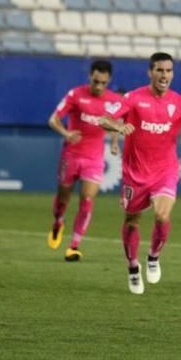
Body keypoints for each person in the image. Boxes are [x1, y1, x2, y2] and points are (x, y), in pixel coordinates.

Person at [98, 53, 181, 294]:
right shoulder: (133, 98)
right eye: (160, 70)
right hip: (135, 172)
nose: (164, 75)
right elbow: (104, 119)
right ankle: (133, 268)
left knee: (162, 215)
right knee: (132, 220)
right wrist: (117, 126)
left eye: (168, 71)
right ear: (150, 72)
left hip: (165, 171)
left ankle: (153, 257)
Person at [46, 60, 125, 262]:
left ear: (109, 81)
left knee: (87, 199)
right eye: (96, 81)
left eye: (103, 83)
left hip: (94, 158)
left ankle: (74, 246)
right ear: (90, 76)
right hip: (71, 155)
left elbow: (119, 122)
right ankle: (58, 221)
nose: (99, 87)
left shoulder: (113, 100)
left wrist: (115, 142)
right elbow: (53, 119)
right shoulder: (75, 95)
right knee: (63, 198)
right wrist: (66, 133)